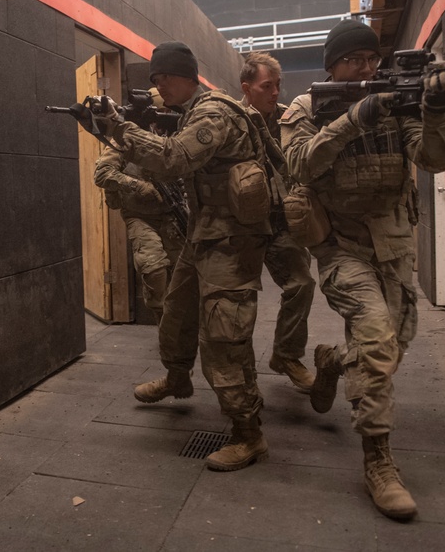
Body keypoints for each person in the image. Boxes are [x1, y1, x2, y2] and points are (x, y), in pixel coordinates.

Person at [279, 20, 445, 521]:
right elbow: (299, 165)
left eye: (371, 58)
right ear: (332, 66)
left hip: (396, 245)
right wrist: (355, 118)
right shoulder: (306, 108)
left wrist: (437, 109)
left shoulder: (396, 102)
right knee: (378, 341)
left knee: (390, 347)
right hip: (341, 247)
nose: (366, 67)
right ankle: (379, 462)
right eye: (354, 59)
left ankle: (335, 362)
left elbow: (434, 158)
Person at [94, 41, 274, 472]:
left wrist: (119, 127)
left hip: (231, 243)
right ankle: (178, 380)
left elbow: (174, 159)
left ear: (183, 76)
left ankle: (248, 434)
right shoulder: (192, 112)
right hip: (204, 236)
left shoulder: (213, 112)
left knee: (223, 337)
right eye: (153, 79)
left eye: (162, 78)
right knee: (176, 314)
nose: (157, 86)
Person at [239, 52, 316, 392]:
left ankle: (286, 354)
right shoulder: (233, 121)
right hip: (241, 226)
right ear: (247, 88)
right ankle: (238, 376)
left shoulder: (288, 119)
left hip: (280, 222)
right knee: (238, 301)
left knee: (301, 284)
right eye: (266, 86)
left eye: (277, 85)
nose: (274, 92)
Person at [93, 89, 185, 325]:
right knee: (153, 268)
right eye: (162, 111)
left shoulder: (166, 139)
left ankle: (178, 324)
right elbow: (102, 173)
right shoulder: (124, 139)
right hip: (140, 216)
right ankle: (162, 319)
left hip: (170, 214)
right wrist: (138, 186)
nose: (166, 116)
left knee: (181, 273)